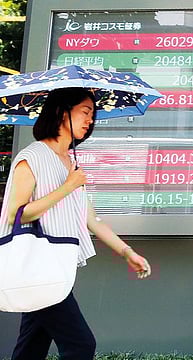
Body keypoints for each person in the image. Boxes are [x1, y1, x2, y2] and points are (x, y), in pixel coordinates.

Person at [0, 87, 152, 360]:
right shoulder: (31, 157)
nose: (90, 120)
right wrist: (67, 186)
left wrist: (128, 252)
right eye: (85, 112)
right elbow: (17, 214)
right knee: (81, 344)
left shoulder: (69, 162)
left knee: (31, 347)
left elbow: (90, 218)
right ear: (61, 112)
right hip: (40, 267)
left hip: (58, 265)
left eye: (92, 115)